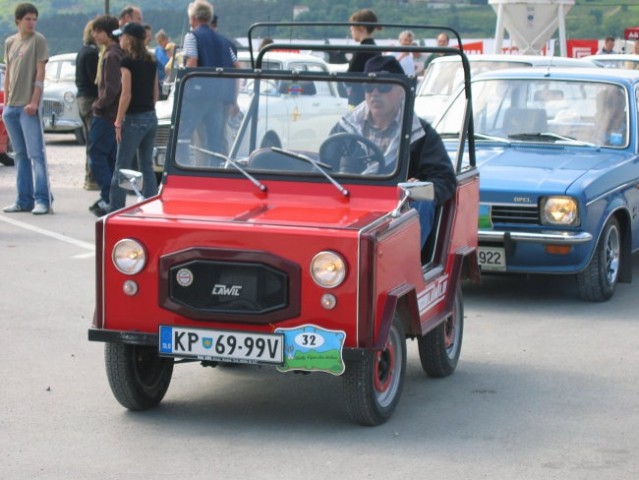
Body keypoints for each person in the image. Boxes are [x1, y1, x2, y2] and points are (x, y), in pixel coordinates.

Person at [331, 55, 456, 248]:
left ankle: (405, 265)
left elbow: (445, 180)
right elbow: (325, 167)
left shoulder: (420, 133)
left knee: (422, 200)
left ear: (401, 91)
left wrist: (419, 187)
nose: (375, 93)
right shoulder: (345, 128)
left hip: (397, 212)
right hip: (353, 203)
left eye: (384, 87)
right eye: (368, 87)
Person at [2, 2, 52, 215]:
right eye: (27, 19)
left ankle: (43, 199)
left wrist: (34, 101)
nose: (31, 22)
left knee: (36, 154)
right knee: (19, 155)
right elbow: (9, 74)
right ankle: (23, 199)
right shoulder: (10, 42)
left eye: (34, 19)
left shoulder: (38, 40)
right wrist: (5, 102)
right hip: (11, 107)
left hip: (28, 107)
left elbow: (40, 74)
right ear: (18, 21)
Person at [107, 22, 158, 213]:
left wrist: (118, 121)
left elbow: (126, 94)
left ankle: (116, 208)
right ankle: (151, 205)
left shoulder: (127, 62)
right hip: (150, 117)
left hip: (133, 118)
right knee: (146, 165)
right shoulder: (151, 60)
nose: (120, 39)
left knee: (122, 166)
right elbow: (155, 92)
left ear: (129, 38)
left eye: (122, 36)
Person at [179, 0, 237, 159]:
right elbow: (236, 65)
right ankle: (214, 172)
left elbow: (191, 64)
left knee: (182, 138)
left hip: (197, 96)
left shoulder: (192, 36)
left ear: (193, 18)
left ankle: (183, 171)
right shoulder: (223, 41)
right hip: (218, 96)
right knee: (215, 141)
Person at [88, 15, 123, 217]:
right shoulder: (117, 52)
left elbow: (111, 88)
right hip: (114, 115)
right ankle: (112, 197)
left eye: (98, 31)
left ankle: (108, 196)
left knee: (97, 156)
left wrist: (98, 105)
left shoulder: (111, 56)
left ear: (107, 33)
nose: (94, 35)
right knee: (110, 157)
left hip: (106, 114)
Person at [75, 18, 99, 191]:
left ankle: (89, 177)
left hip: (81, 98)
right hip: (90, 98)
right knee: (94, 140)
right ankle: (91, 178)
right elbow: (94, 79)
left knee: (90, 139)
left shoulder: (82, 51)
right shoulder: (92, 54)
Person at [346, 8, 380, 108]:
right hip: (370, 97)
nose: (350, 30)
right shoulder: (376, 48)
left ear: (361, 28)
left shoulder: (361, 50)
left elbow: (349, 77)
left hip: (358, 100)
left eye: (352, 28)